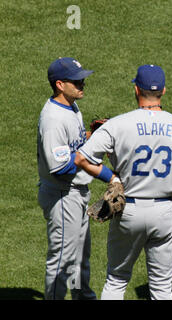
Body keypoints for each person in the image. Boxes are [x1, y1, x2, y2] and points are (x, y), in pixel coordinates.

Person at [74, 64, 172, 300]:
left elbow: (82, 158)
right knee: (162, 288)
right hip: (165, 212)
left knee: (117, 280)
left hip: (128, 210)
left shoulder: (118, 124)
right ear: (163, 90)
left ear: (136, 89)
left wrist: (110, 177)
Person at [37, 57, 96, 300]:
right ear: (60, 84)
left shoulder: (71, 106)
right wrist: (89, 161)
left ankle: (83, 297)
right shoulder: (53, 119)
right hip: (63, 196)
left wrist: (93, 135)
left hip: (77, 193)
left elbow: (72, 144)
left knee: (80, 256)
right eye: (76, 80)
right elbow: (59, 167)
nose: (82, 83)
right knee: (62, 259)